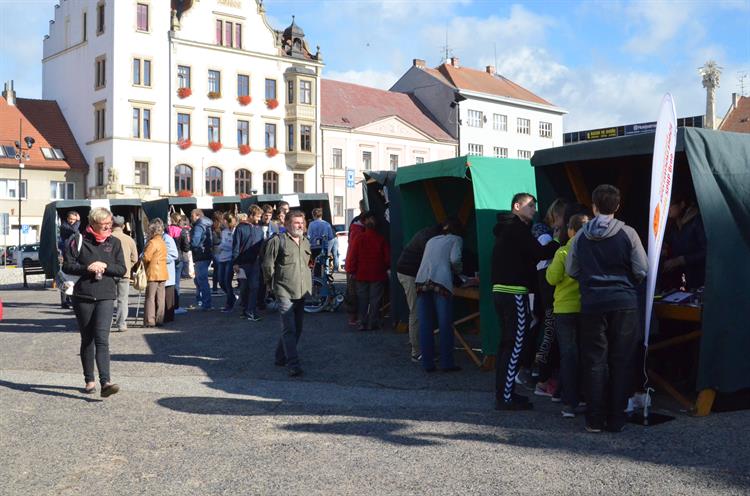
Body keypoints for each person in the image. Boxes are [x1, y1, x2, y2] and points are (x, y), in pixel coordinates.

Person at [566, 184, 648, 433]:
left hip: (592, 303)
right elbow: (641, 268)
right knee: (621, 360)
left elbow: (571, 270)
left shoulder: (581, 235)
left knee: (594, 361)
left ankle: (594, 418)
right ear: (617, 206)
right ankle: (616, 418)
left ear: (593, 205)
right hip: (623, 303)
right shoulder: (628, 233)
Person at [491, 193, 560, 411]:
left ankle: (505, 392)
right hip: (514, 292)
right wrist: (558, 241)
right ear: (516, 206)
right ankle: (506, 397)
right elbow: (539, 253)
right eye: (530, 206)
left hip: (501, 291)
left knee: (507, 344)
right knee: (514, 345)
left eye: (534, 206)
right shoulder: (517, 229)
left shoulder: (507, 230)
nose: (534, 209)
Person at [63, 207, 125, 397]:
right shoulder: (78, 240)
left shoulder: (114, 242)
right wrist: (87, 267)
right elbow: (67, 265)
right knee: (87, 339)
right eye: (103, 224)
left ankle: (106, 381)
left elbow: (121, 268)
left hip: (106, 294)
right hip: (83, 295)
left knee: (102, 339)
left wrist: (105, 266)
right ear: (92, 224)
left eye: (109, 224)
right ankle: (89, 379)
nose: (108, 227)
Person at [546, 213, 590, 418]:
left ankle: (569, 402)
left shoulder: (563, 252)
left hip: (564, 310)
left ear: (570, 230)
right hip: (586, 309)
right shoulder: (592, 251)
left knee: (568, 355)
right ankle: (573, 395)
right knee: (582, 354)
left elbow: (552, 278)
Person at [262, 210, 312, 377]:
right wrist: (270, 285)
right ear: (287, 224)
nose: (300, 225)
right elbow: (268, 265)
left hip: (302, 290)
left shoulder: (305, 241)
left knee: (297, 328)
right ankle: (293, 363)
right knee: (289, 328)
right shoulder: (277, 241)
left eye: (301, 222)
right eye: (296, 223)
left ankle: (280, 356)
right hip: (284, 290)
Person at [414, 219, 464, 372]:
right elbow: (455, 259)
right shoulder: (456, 239)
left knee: (425, 324)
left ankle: (427, 363)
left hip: (422, 281)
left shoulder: (432, 240)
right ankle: (446, 363)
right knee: (445, 324)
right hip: (441, 282)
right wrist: (458, 271)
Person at [530, 198, 567, 397]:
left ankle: (543, 377)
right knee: (550, 330)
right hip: (547, 285)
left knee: (549, 329)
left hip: (545, 284)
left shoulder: (544, 230)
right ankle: (543, 380)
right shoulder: (544, 232)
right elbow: (548, 260)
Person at [397, 222, 442, 362]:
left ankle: (420, 347)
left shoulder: (426, 235)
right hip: (409, 274)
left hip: (410, 273)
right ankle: (416, 352)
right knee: (416, 312)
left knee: (418, 311)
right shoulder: (429, 239)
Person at [347, 212, 390, 331]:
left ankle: (362, 322)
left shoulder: (359, 238)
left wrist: (351, 270)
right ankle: (373, 322)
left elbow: (353, 256)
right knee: (375, 299)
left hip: (361, 274)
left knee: (362, 299)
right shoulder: (381, 239)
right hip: (377, 273)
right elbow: (387, 259)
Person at [661, 190, 707, 290]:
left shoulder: (696, 221)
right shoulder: (673, 224)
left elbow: (706, 251)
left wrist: (681, 260)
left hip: (697, 280)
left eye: (670, 205)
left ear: (682, 204)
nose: (667, 208)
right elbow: (673, 244)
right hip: (679, 281)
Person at [233, 205, 264, 320]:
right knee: (244, 288)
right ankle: (246, 310)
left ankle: (251, 310)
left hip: (255, 263)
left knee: (254, 287)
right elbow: (236, 246)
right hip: (242, 264)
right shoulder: (240, 228)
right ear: (251, 215)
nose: (259, 219)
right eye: (257, 216)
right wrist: (235, 263)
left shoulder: (259, 229)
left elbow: (261, 247)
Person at [110, 215, 137, 332]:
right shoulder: (129, 239)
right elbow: (135, 258)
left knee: (108, 299)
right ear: (123, 226)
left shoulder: (107, 238)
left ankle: (107, 322)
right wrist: (127, 267)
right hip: (124, 273)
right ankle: (121, 324)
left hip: (109, 272)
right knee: (123, 299)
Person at [344, 200, 367, 326]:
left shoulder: (354, 223)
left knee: (353, 291)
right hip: (356, 264)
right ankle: (355, 316)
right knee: (357, 292)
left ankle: (354, 316)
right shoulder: (360, 226)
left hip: (352, 262)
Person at [142, 219, 168, 327]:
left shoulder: (152, 242)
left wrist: (142, 258)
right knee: (161, 297)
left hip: (153, 272)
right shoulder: (162, 242)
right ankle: (160, 319)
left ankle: (150, 320)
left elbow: (146, 257)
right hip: (162, 272)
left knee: (150, 297)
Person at [190, 209, 214, 310]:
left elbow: (195, 242)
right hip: (207, 254)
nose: (191, 218)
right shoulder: (208, 224)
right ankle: (202, 301)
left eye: (192, 216)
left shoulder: (199, 226)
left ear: (198, 216)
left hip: (200, 255)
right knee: (200, 280)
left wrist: (189, 243)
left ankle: (205, 303)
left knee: (201, 280)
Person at [168, 212, 190, 314]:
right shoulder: (182, 231)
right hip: (178, 258)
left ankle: (167, 304)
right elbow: (186, 247)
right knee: (176, 283)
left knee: (167, 282)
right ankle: (176, 306)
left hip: (168, 259)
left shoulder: (166, 230)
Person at [58, 210, 81, 309]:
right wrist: (78, 221)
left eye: (74, 219)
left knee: (71, 279)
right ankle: (64, 301)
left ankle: (69, 299)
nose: (72, 221)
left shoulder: (71, 226)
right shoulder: (64, 226)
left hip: (72, 255)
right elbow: (74, 229)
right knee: (65, 279)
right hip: (66, 256)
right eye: (71, 219)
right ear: (67, 219)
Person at [218, 213, 237, 311]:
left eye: (223, 220)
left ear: (226, 220)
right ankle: (232, 296)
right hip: (222, 258)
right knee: (221, 281)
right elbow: (223, 243)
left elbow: (232, 245)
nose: (222, 222)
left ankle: (229, 303)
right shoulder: (224, 231)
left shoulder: (235, 231)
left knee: (227, 281)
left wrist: (221, 246)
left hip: (230, 258)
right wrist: (221, 246)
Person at [161, 220, 179, 323]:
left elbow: (174, 254)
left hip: (167, 271)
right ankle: (163, 315)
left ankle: (168, 317)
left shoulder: (167, 238)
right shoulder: (155, 238)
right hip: (161, 271)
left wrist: (159, 259)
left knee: (168, 296)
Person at [211, 211, 224, 293]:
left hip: (215, 249)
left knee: (217, 270)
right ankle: (218, 287)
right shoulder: (220, 227)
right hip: (218, 249)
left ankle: (215, 287)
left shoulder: (213, 227)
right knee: (219, 269)